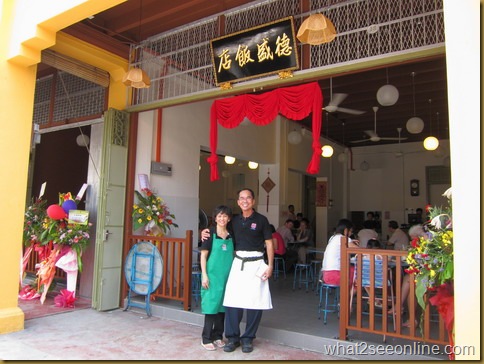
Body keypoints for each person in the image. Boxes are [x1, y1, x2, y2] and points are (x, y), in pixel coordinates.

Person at [201, 188, 273, 354]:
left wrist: (270, 266)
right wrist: (205, 231)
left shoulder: (262, 220)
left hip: (257, 264)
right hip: (238, 263)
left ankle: (248, 338)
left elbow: (269, 243)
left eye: (248, 198)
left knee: (255, 303)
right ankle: (233, 338)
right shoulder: (234, 220)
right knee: (233, 301)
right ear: (238, 201)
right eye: (241, 198)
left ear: (253, 201)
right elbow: (221, 230)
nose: (245, 201)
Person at [200, 205, 235, 351]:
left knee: (222, 308)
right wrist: (204, 275)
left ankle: (218, 336)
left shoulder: (232, 234)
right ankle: (206, 338)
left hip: (227, 277)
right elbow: (203, 255)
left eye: (225, 216)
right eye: (219, 216)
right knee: (211, 306)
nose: (222, 218)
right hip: (212, 277)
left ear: (229, 218)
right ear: (215, 218)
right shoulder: (209, 233)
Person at [320, 218, 359, 286]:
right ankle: (348, 295)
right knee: (359, 275)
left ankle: (348, 294)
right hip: (336, 275)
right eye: (351, 231)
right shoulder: (344, 238)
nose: (351, 234)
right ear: (346, 230)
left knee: (352, 271)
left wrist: (351, 241)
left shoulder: (332, 237)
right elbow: (358, 250)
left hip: (325, 275)